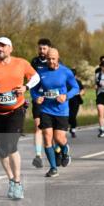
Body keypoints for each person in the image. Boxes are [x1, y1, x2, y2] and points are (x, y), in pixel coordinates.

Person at [0, 36, 39, 200]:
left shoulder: (21, 63)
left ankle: (18, 183)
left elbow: (36, 77)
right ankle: (11, 179)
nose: (0, 49)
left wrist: (25, 87)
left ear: (10, 48)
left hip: (16, 110)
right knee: (2, 149)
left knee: (11, 145)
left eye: (3, 46)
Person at [31, 48, 79, 177]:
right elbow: (33, 89)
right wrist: (36, 97)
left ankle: (65, 149)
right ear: (46, 58)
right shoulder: (40, 72)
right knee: (47, 137)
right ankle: (53, 168)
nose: (51, 61)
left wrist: (66, 96)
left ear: (58, 58)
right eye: (49, 59)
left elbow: (75, 87)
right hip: (46, 109)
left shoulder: (66, 72)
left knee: (58, 138)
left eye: (53, 59)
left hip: (61, 110)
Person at [29, 38, 53, 168]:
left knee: (51, 129)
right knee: (38, 126)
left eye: (44, 48)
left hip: (52, 99)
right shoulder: (34, 62)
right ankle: (38, 156)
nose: (41, 51)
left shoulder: (55, 61)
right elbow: (30, 79)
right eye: (40, 48)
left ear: (49, 49)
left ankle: (57, 150)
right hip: (38, 98)